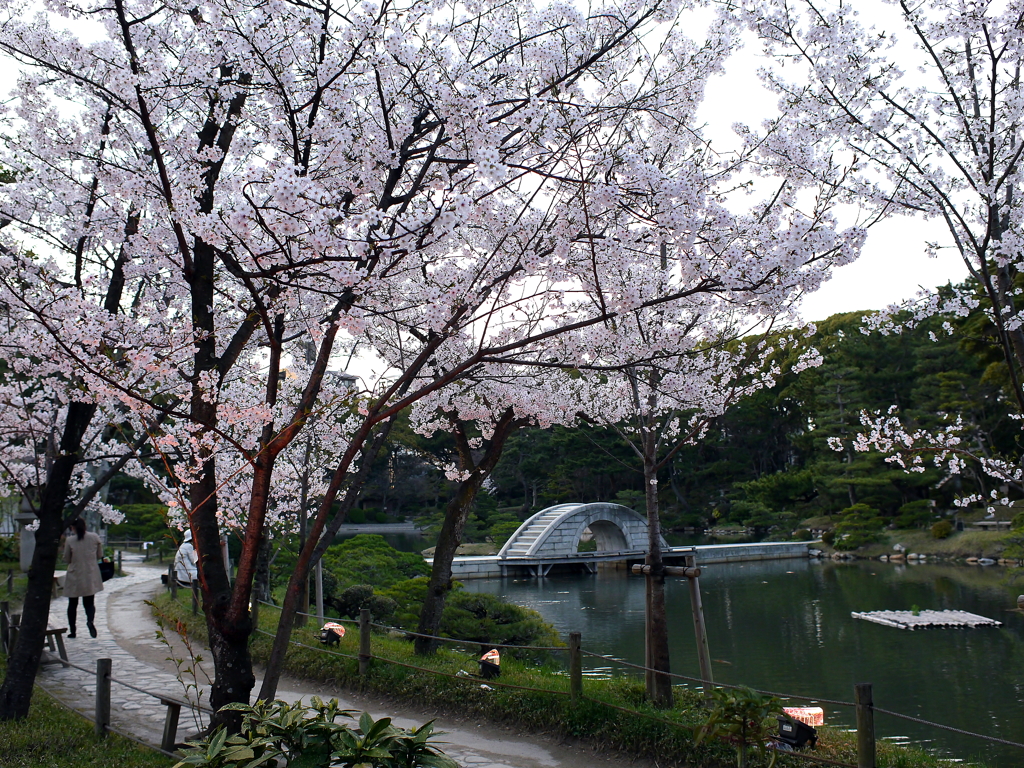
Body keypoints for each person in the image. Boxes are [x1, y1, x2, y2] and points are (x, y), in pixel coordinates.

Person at [63, 517, 104, 638]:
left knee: (72, 604)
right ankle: (90, 621)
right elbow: (100, 555)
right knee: (89, 602)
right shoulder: (94, 537)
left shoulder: (70, 540)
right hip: (90, 573)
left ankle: (73, 631)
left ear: (73, 527)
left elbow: (66, 558)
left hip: (75, 574)